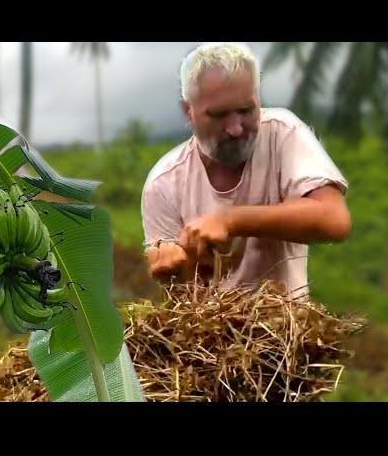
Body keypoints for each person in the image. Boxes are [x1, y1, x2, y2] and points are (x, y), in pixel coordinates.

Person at [141, 42, 351, 294]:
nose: (236, 129)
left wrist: (231, 220)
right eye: (218, 115)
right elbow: (181, 295)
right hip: (210, 331)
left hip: (286, 328)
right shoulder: (164, 183)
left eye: (246, 110)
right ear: (188, 111)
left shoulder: (282, 134)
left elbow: (333, 219)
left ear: (257, 98)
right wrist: (173, 261)